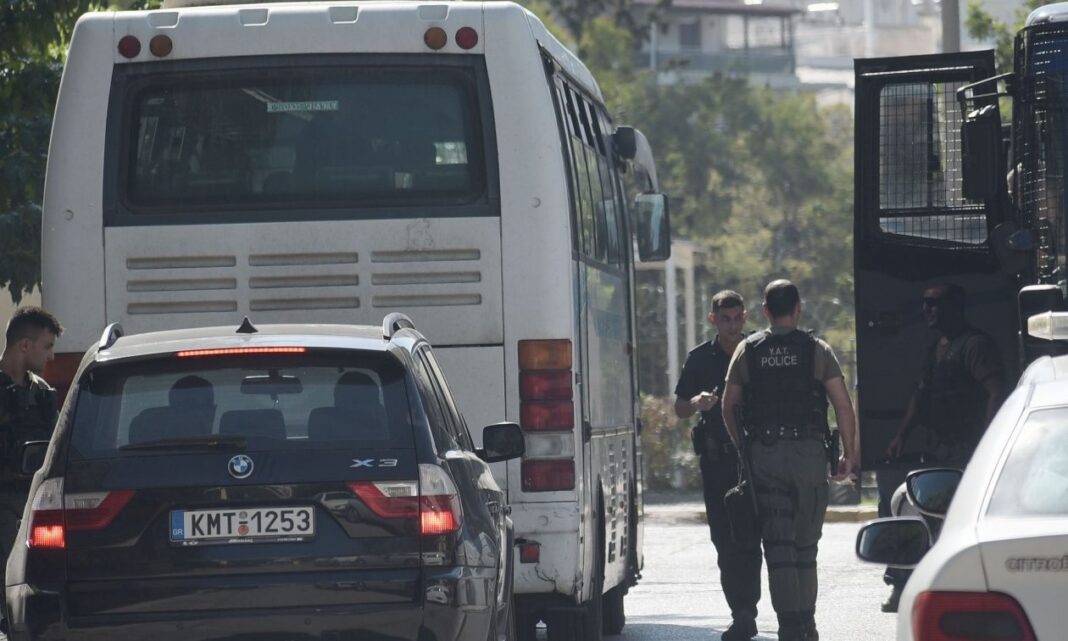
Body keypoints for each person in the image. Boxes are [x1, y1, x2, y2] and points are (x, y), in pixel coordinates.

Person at [722, 280, 858, 641]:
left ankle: (790, 627)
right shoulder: (817, 349)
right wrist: (849, 454)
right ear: (798, 308)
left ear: (765, 311)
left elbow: (728, 406)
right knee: (805, 547)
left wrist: (745, 451)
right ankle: (807, 623)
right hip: (810, 456)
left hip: (764, 456)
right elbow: (843, 406)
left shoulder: (747, 350)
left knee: (778, 546)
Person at [879, 283, 1004, 612]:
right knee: (911, 510)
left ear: (954, 307)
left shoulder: (975, 346)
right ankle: (903, 583)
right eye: (924, 304)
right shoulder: (937, 348)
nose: (927, 311)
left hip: (968, 450)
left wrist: (989, 441)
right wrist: (901, 435)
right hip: (939, 449)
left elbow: (994, 391)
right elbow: (920, 396)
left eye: (934, 304)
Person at [674, 290, 762, 641]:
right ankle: (740, 612)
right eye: (725, 319)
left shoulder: (757, 351)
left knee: (751, 540)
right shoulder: (700, 358)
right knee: (725, 542)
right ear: (713, 320)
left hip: (753, 460)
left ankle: (749, 609)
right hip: (716, 462)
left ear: (745, 316)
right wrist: (697, 402)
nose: (732, 325)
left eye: (737, 318)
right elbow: (679, 406)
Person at [0, 307, 63, 627]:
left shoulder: (42, 394)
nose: (51, 355)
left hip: (33, 501)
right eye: (47, 346)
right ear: (25, 345)